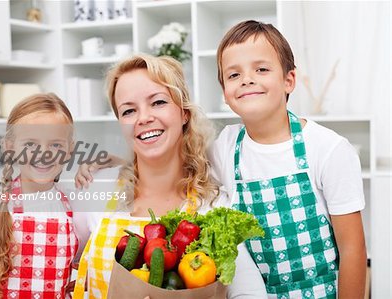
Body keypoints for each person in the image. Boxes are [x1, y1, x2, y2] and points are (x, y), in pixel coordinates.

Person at [72, 54, 267, 298]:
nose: (143, 118)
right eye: (129, 110)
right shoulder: (96, 189)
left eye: (158, 102)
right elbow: (60, 266)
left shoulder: (212, 205)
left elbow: (249, 293)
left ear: (184, 113)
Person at [211, 20, 366, 298]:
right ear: (225, 93)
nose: (247, 79)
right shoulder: (224, 147)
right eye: (233, 75)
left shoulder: (327, 148)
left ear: (288, 80)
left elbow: (353, 250)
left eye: (261, 69)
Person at [0, 93, 84, 298]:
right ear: (10, 147)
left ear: (70, 150)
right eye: (30, 144)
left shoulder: (77, 208)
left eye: (56, 144)